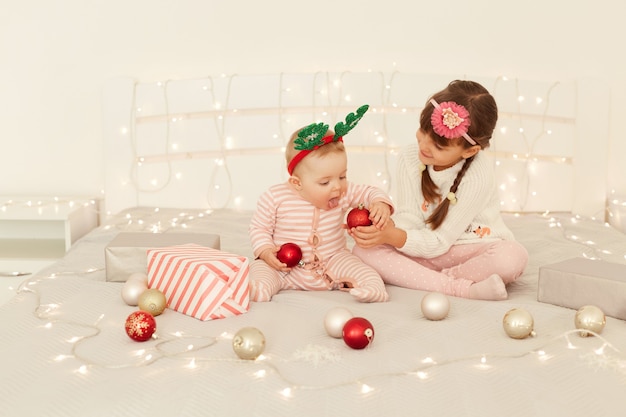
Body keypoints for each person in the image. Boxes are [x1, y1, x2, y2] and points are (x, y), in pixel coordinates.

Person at [350, 81, 528, 301]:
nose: (424, 145)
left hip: (471, 249)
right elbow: (410, 216)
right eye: (423, 131)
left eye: (439, 146)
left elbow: (442, 241)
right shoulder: (409, 156)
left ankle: (441, 281)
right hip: (425, 247)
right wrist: (387, 228)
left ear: (469, 151)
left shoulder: (477, 175)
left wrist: (393, 237)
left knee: (512, 257)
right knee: (362, 251)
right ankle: (458, 286)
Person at [248, 104, 394, 303]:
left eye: (342, 176)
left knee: (361, 269)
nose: (337, 187)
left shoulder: (344, 192)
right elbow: (259, 228)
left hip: (332, 261)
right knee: (260, 269)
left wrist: (379, 203)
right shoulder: (275, 197)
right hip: (285, 266)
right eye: (325, 182)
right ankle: (258, 289)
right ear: (297, 183)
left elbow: (369, 192)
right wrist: (265, 251)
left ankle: (372, 289)